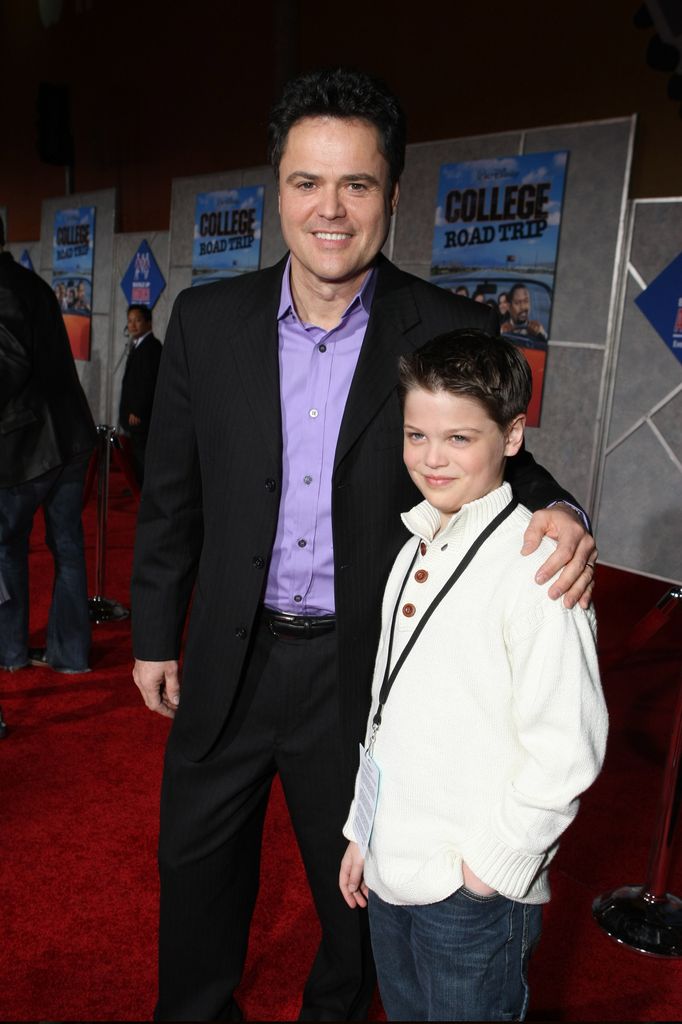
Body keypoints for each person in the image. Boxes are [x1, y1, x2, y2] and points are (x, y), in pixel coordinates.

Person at [131, 68, 597, 1022]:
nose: (330, 210)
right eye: (307, 182)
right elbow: (170, 494)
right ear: (278, 189)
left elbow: (502, 455)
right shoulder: (207, 320)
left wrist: (566, 512)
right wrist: (151, 631)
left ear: (393, 194)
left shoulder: (451, 326)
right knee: (195, 886)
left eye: (356, 185)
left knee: (353, 916)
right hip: (230, 650)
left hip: (364, 672)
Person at [339, 329, 607, 1021]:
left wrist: (489, 872)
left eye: (459, 438)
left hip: (470, 893)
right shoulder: (414, 546)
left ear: (513, 436)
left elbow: (568, 747)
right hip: (392, 869)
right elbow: (386, 707)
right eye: (416, 434)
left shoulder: (538, 568)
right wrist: (361, 831)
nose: (432, 458)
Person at [0, 215, 96, 674]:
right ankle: (71, 655)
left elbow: (8, 365)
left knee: (7, 550)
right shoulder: (30, 282)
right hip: (70, 437)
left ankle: (11, 654)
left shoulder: (1, 288)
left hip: (26, 449)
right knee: (68, 549)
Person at [117, 304, 162, 486]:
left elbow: (149, 383)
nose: (133, 325)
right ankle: (140, 489)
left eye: (138, 320)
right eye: (130, 321)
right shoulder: (137, 344)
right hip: (133, 416)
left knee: (143, 456)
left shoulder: (152, 347)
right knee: (135, 457)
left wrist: (138, 410)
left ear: (149, 323)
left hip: (141, 417)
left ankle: (146, 493)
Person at [501, 281, 548, 345]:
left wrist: (541, 334)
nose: (523, 307)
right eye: (517, 303)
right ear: (509, 307)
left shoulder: (538, 329)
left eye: (526, 301)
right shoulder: (502, 330)